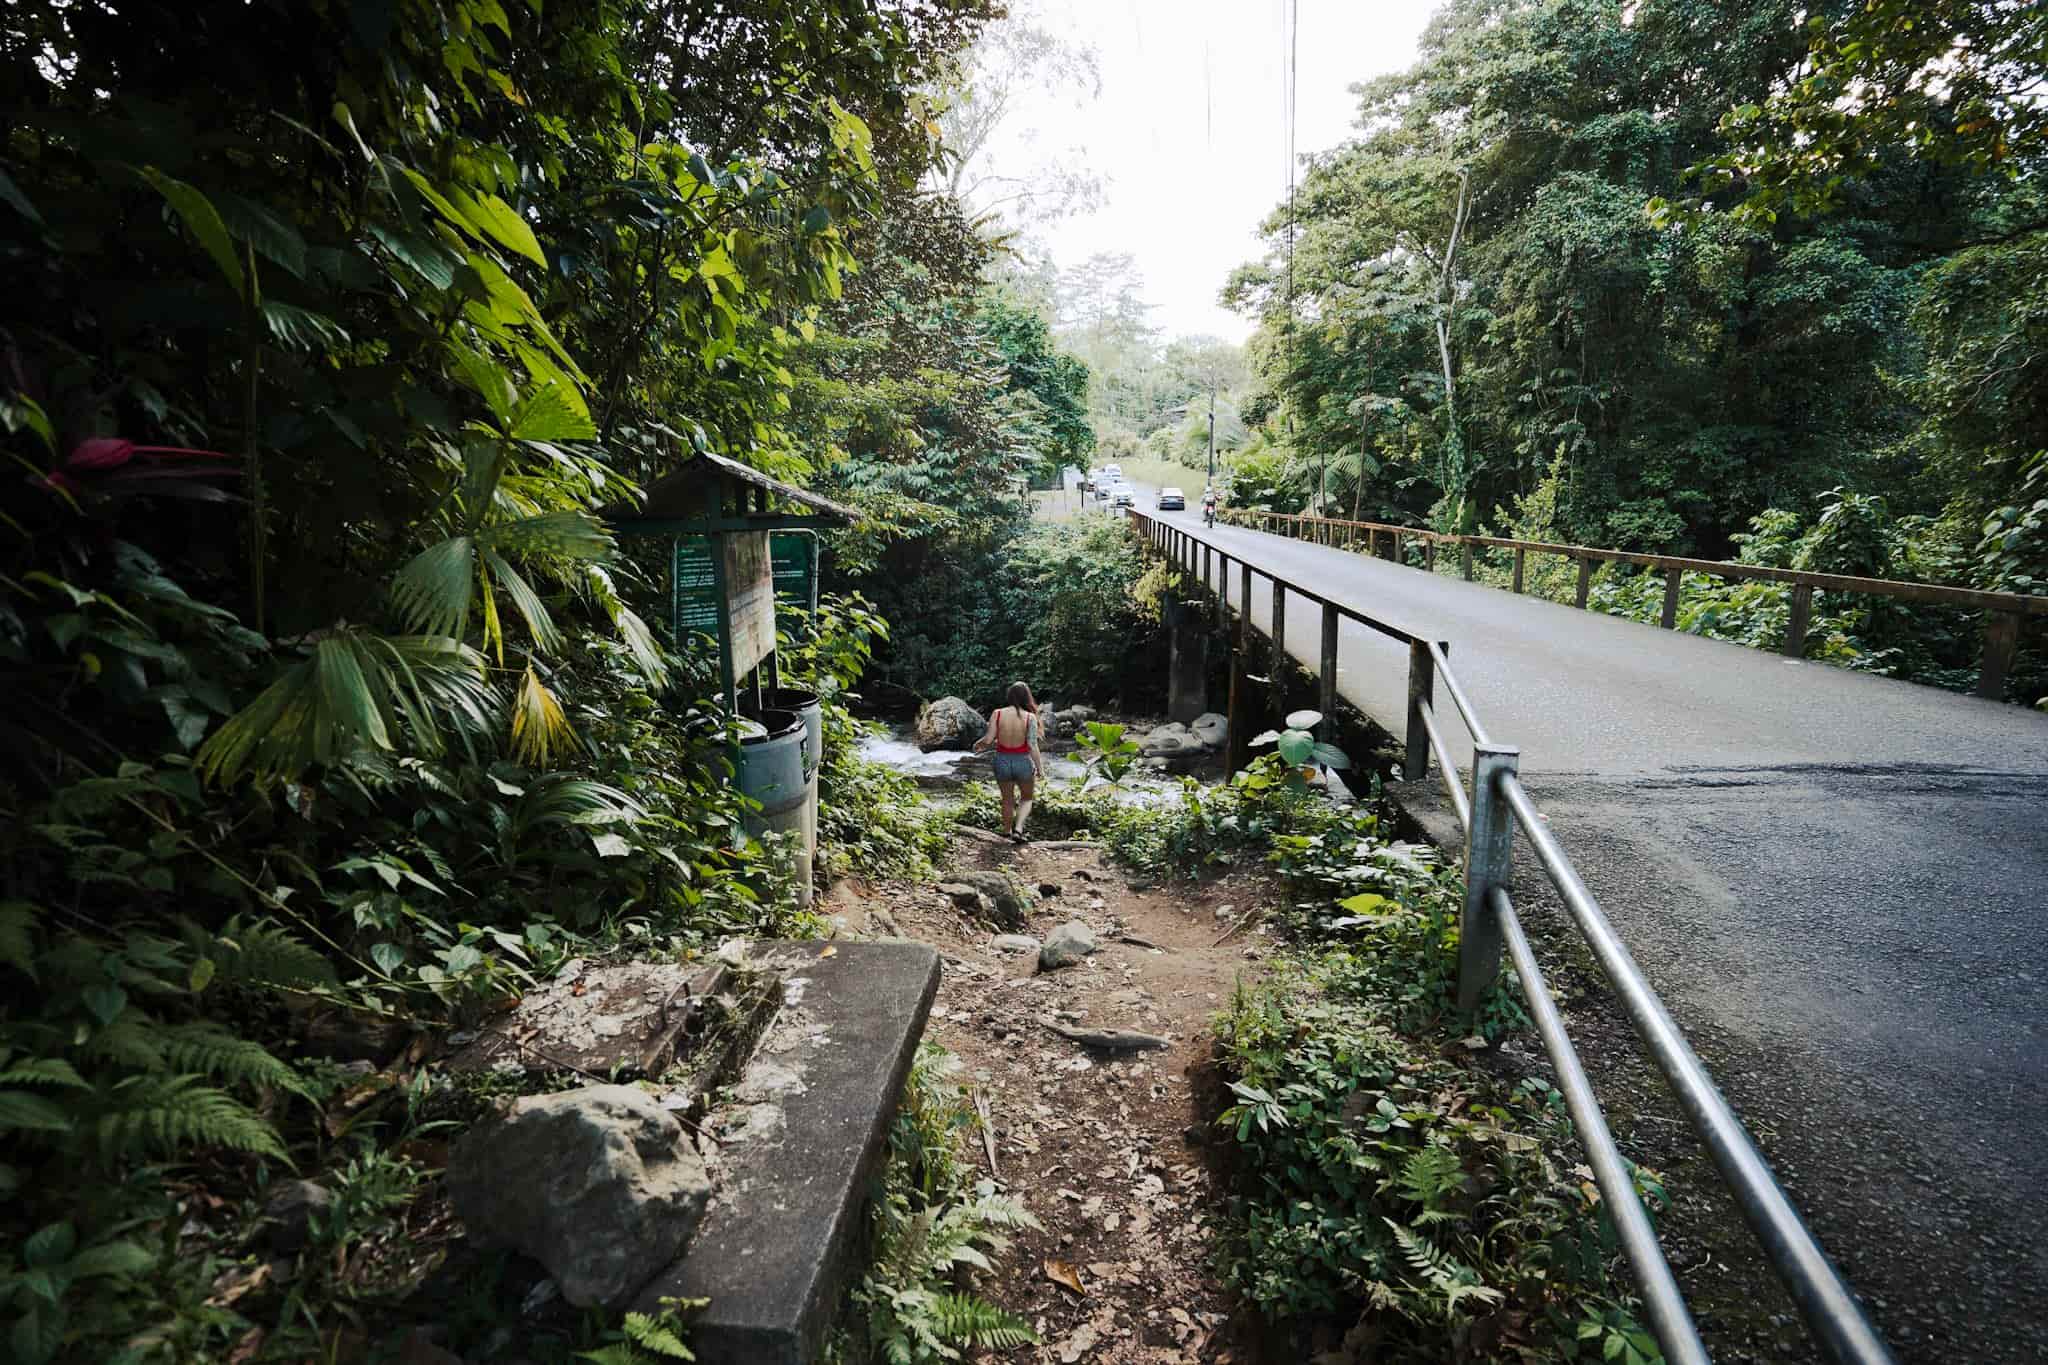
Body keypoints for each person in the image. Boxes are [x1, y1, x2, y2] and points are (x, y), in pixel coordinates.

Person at [973, 681, 1046, 843]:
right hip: (1023, 762)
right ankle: (1018, 829)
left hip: (1002, 760)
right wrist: (1040, 769)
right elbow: (1032, 745)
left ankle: (1006, 832)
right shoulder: (1030, 717)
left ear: (1010, 696)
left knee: (1007, 799)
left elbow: (989, 739)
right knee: (1026, 798)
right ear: (1027, 697)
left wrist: (979, 743)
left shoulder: (997, 713)